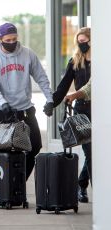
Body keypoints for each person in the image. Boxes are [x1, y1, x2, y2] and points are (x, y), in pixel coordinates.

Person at [0, 22, 53, 180]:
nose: (11, 43)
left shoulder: (28, 54)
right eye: (7, 40)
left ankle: (18, 182)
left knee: (35, 146)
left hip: (26, 109)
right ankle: (5, 186)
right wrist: (3, 103)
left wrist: (49, 100)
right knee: (6, 151)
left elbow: (41, 78)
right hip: (3, 111)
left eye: (14, 39)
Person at [46, 27, 91, 203]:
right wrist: (51, 103)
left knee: (95, 151)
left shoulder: (101, 60)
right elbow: (63, 87)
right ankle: (83, 186)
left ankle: (82, 183)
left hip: (100, 110)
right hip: (82, 110)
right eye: (79, 41)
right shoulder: (74, 61)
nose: (82, 44)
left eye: (85, 41)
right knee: (89, 150)